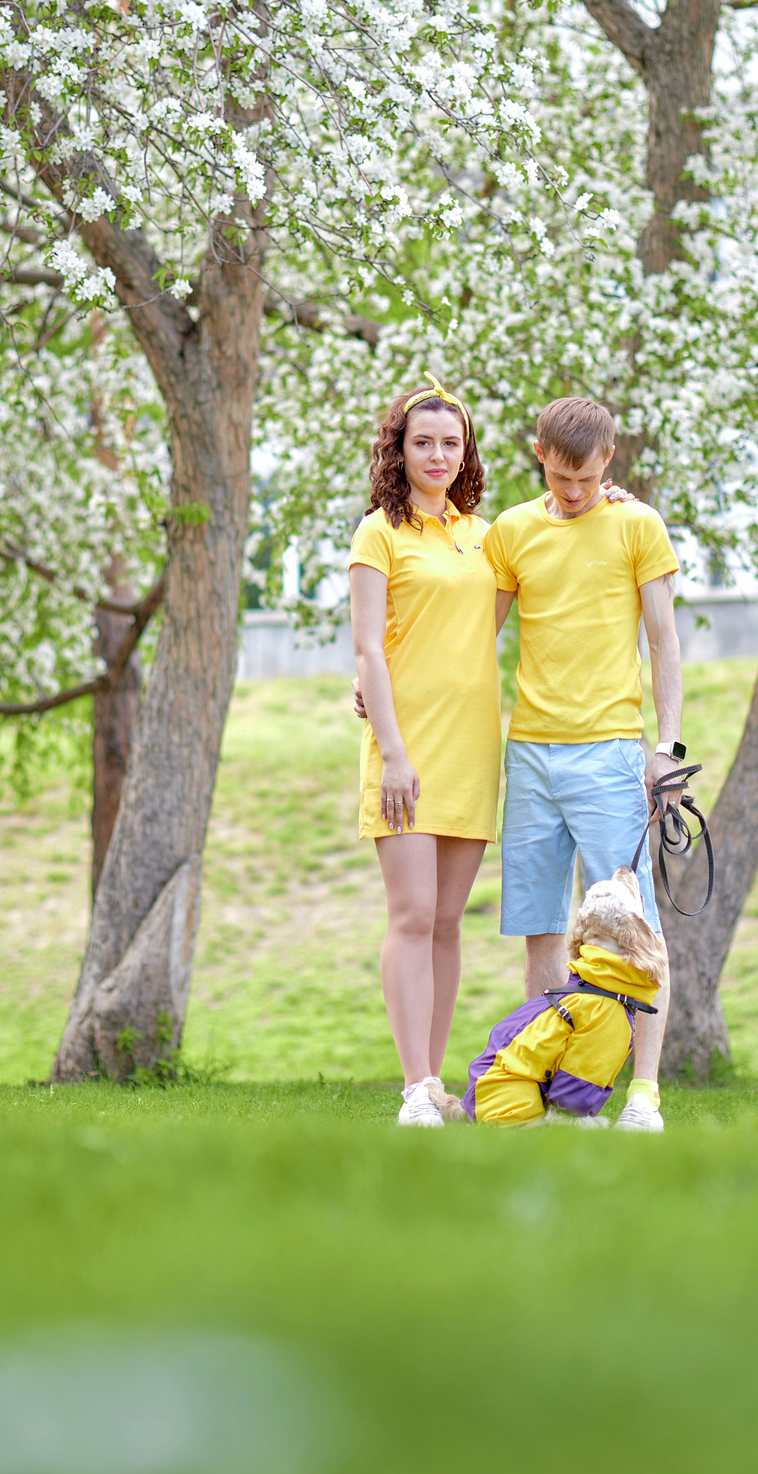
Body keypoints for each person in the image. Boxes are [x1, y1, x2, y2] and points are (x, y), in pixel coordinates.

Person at [485, 396, 686, 1134]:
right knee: (542, 928)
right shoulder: (511, 531)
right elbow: (478, 634)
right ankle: (547, 1100)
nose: (576, 493)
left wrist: (666, 748)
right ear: (539, 451)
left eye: (590, 479)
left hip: (609, 753)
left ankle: (642, 1095)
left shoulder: (637, 524)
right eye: (564, 478)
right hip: (530, 754)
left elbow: (664, 642)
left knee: (635, 925)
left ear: (611, 461)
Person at [350, 377, 497, 1128]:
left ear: (464, 449)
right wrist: (394, 751)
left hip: (473, 749)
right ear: (399, 450)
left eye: (449, 442)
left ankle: (437, 1083)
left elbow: (558, 534)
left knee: (447, 922)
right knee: (410, 915)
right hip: (404, 751)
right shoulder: (379, 531)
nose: (437, 454)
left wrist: (610, 496)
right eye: (422, 442)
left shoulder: (484, 533)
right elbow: (369, 650)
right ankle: (414, 1087)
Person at [462, 867, 664, 1126]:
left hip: (492, 1088)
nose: (623, 873)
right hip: (505, 1103)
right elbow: (576, 1088)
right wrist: (573, 1118)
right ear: (633, 932)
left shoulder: (588, 991)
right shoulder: (604, 1007)